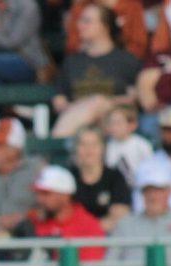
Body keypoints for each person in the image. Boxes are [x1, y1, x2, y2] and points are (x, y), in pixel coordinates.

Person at [51, 4, 141, 137]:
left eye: (87, 21)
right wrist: (85, 106)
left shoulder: (127, 61)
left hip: (113, 128)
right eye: (80, 21)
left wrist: (100, 103)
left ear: (105, 26)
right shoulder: (72, 62)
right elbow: (59, 101)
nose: (80, 25)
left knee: (98, 102)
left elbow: (133, 99)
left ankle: (57, 141)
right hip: (79, 129)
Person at [72, 126, 132, 232]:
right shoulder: (68, 177)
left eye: (94, 145)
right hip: (71, 239)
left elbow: (120, 215)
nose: (89, 150)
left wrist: (88, 229)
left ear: (103, 148)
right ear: (76, 148)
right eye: (83, 144)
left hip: (107, 238)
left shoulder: (115, 177)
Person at [65, 0, 148, 61]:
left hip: (122, 65)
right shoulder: (80, 8)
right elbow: (72, 46)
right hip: (85, 64)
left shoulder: (132, 7)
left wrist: (115, 57)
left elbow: (139, 47)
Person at [103, 104, 153, 186]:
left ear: (132, 125)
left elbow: (149, 170)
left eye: (118, 123)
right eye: (111, 123)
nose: (113, 127)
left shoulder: (142, 145)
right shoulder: (107, 147)